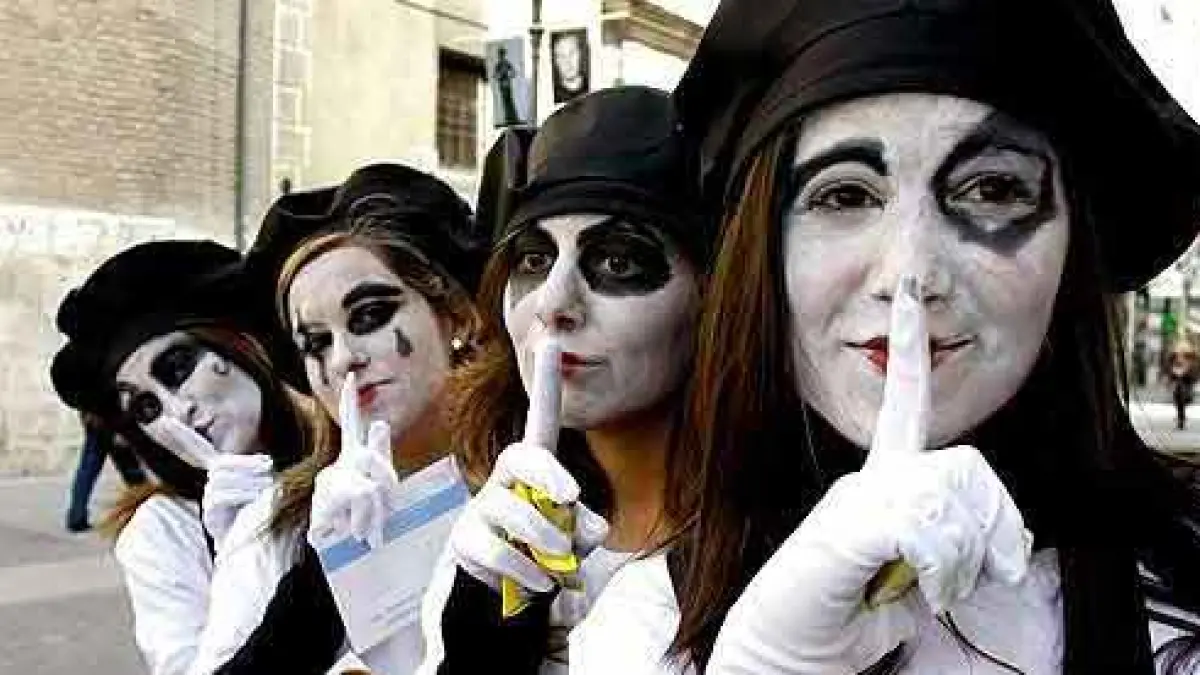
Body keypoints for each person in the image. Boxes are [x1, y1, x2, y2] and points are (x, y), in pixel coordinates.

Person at [566, 0, 1200, 673]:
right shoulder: (644, 632)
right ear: (762, 251)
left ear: (1073, 246)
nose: (910, 273)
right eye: (844, 195)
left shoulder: (1179, 611)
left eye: (992, 188)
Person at [419, 85, 710, 674]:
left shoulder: (794, 544)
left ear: (715, 292)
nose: (554, 304)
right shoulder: (490, 534)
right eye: (533, 259)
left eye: (618, 261)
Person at [186, 163, 488, 675]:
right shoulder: (276, 527)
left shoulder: (537, 486)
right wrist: (327, 570)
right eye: (316, 343)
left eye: (369, 316)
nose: (344, 358)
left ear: (455, 314)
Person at [49, 240, 312, 675]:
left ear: (236, 342)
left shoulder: (355, 459)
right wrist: (247, 543)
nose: (177, 410)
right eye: (146, 407)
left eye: (176, 367)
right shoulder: (164, 533)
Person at [65, 410, 146, 532]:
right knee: (131, 471)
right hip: (112, 420)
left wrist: (85, 413)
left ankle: (76, 516)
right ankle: (143, 511)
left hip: (94, 419)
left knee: (88, 469)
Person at [551, 31, 589, 103]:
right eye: (561, 56)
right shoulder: (551, 96)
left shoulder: (594, 86)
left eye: (572, 53)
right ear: (556, 61)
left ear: (580, 54)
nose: (567, 62)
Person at [1169, 339, 1197, 430]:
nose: (1180, 355)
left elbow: (1193, 373)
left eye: (1183, 353)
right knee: (1179, 400)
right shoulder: (1174, 360)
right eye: (1178, 353)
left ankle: (1181, 418)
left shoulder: (1191, 361)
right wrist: (1174, 375)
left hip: (1187, 382)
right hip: (1179, 386)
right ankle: (1181, 419)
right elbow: (1171, 371)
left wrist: (1184, 373)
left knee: (1185, 399)